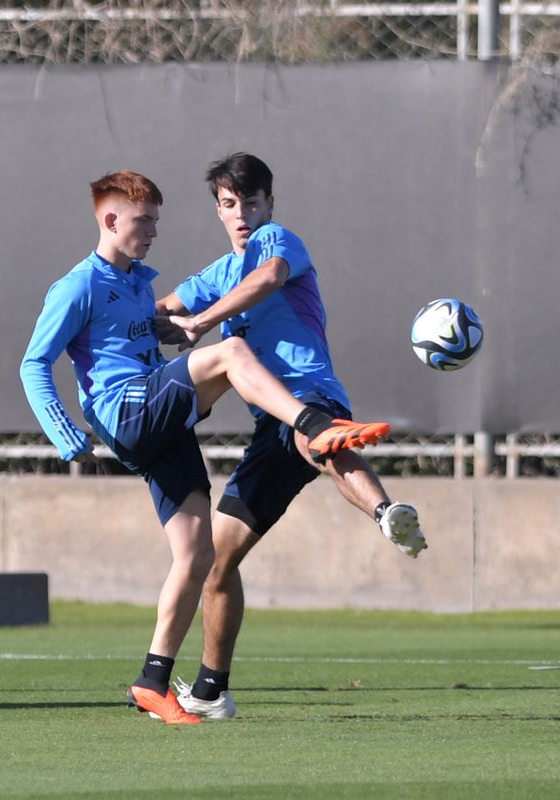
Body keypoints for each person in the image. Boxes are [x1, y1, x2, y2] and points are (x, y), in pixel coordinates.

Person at [19, 170, 391, 725]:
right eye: (143, 221)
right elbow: (33, 364)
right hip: (130, 411)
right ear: (110, 220)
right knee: (232, 350)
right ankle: (312, 422)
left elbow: (166, 324)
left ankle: (152, 681)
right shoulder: (77, 285)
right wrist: (63, 431)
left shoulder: (140, 286)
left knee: (198, 557)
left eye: (156, 222)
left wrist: (176, 324)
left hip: (162, 427)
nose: (152, 232)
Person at [153, 153, 427, 720]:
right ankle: (210, 690)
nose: (242, 214)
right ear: (218, 210)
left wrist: (201, 324)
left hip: (311, 399)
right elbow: (163, 310)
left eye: (250, 202)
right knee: (214, 560)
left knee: (315, 438)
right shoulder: (215, 275)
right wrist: (108, 315)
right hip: (268, 430)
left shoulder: (279, 242)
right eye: (230, 204)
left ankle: (383, 510)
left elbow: (268, 279)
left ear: (269, 204)